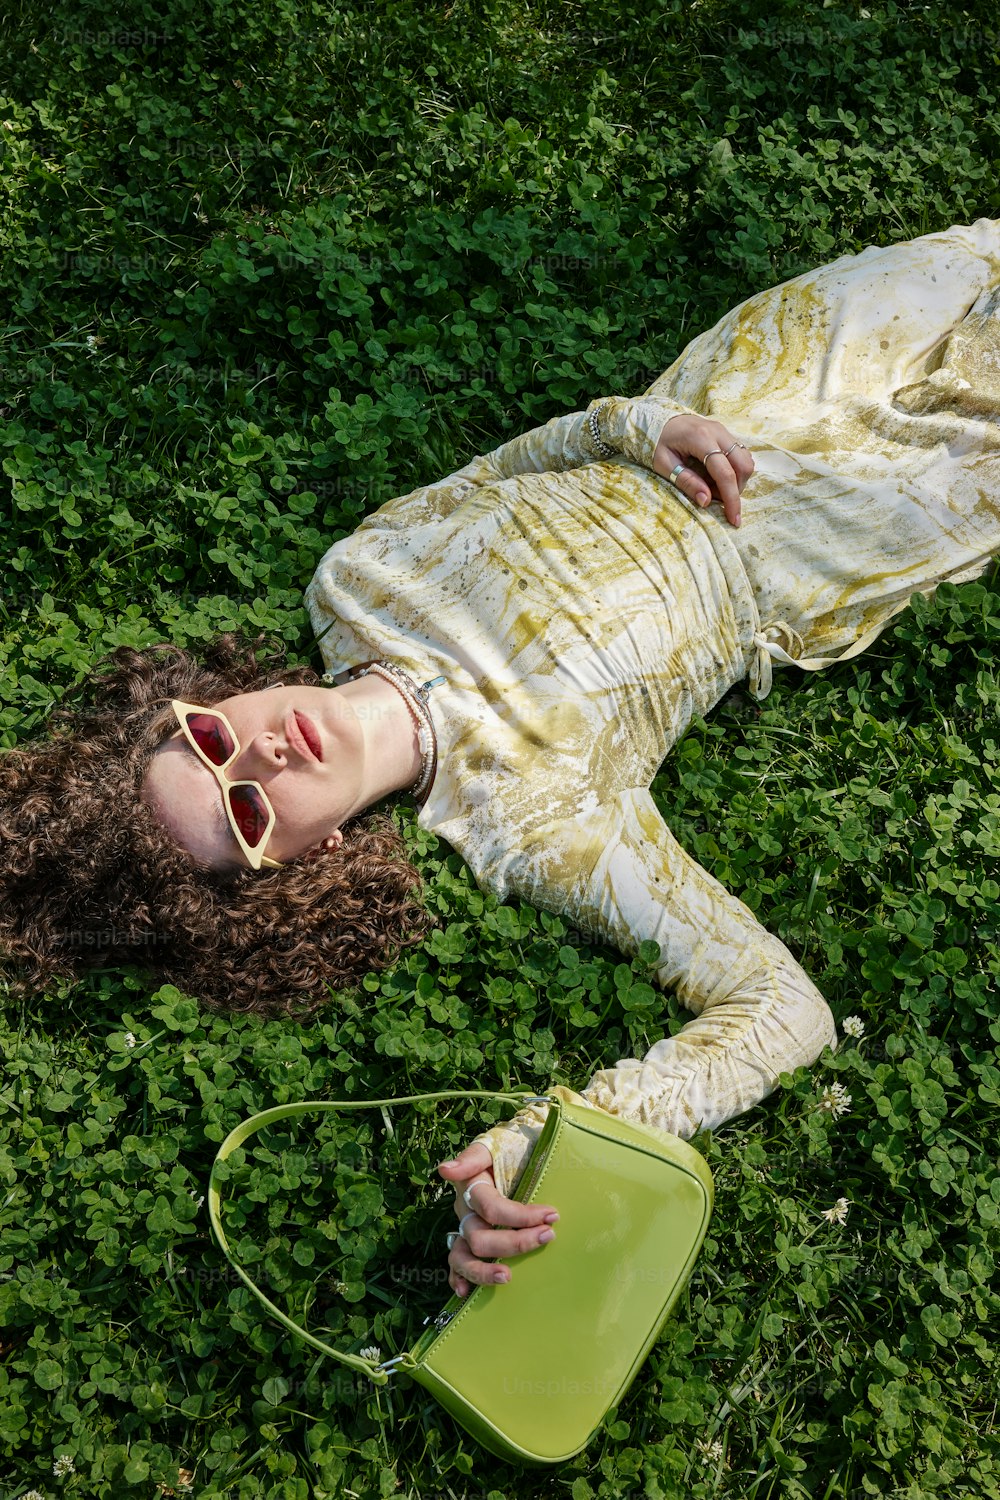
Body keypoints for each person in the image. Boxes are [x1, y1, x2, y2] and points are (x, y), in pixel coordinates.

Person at [4, 220, 1000, 1301]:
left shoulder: (354, 577)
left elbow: (511, 463)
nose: (261, 753)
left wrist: (640, 421)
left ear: (202, 700)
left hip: (742, 391)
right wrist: (556, 1137)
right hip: (819, 529)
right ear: (304, 853)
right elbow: (779, 1008)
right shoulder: (530, 825)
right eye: (247, 811)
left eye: (207, 738)